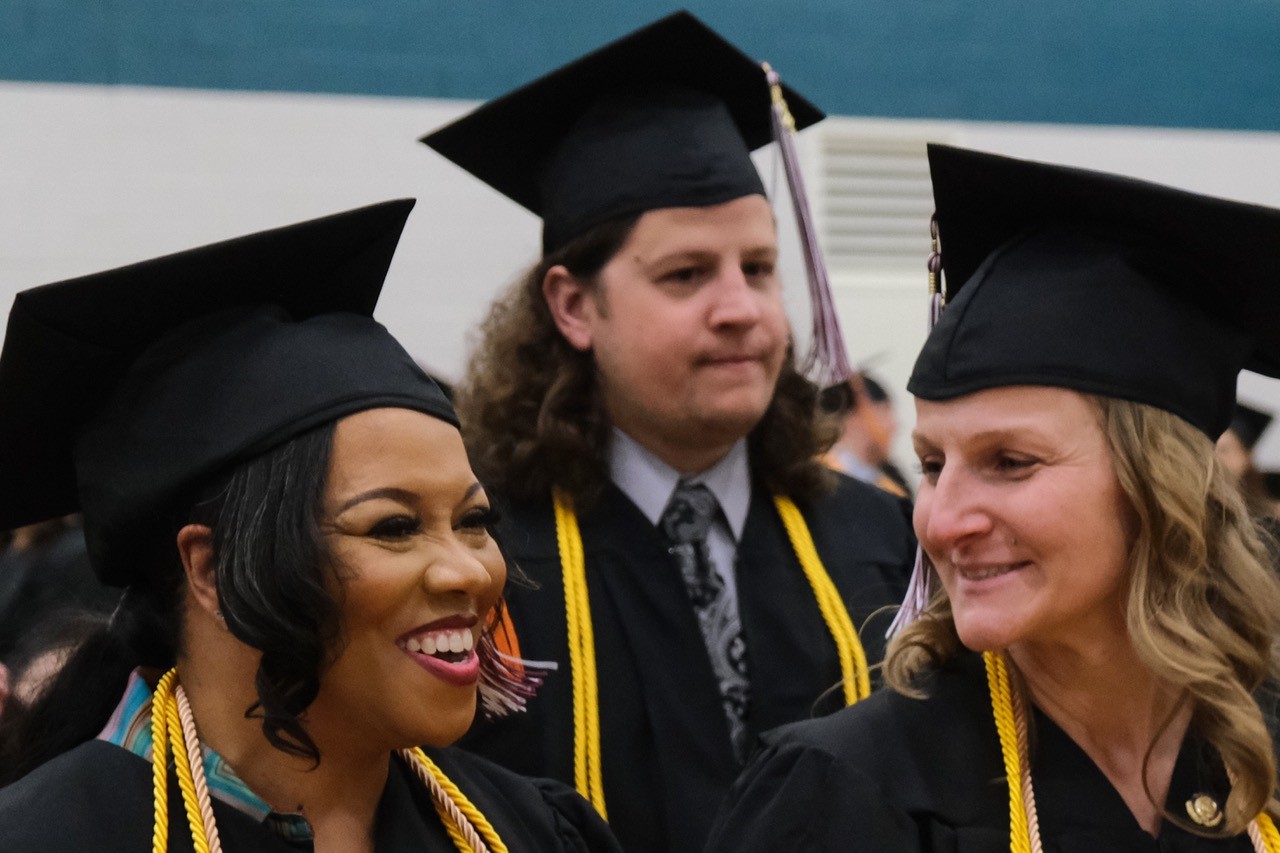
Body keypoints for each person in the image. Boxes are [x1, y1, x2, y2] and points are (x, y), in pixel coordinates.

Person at [420, 12, 915, 852]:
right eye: (687, 275)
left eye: (758, 268)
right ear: (574, 306)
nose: (741, 309)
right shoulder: (482, 564)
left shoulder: (882, 546)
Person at [706, 145, 1280, 851]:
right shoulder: (844, 797)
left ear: (1161, 490)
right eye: (932, 463)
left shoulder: (1258, 761)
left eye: (1010, 461)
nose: (942, 520)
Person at [0, 201, 621, 853]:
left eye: (473, 520)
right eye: (394, 526)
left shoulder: (525, 832)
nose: (469, 568)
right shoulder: (53, 836)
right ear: (211, 569)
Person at [820, 372, 912, 498]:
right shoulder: (819, 479)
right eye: (885, 411)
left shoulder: (893, 488)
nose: (894, 425)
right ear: (854, 415)